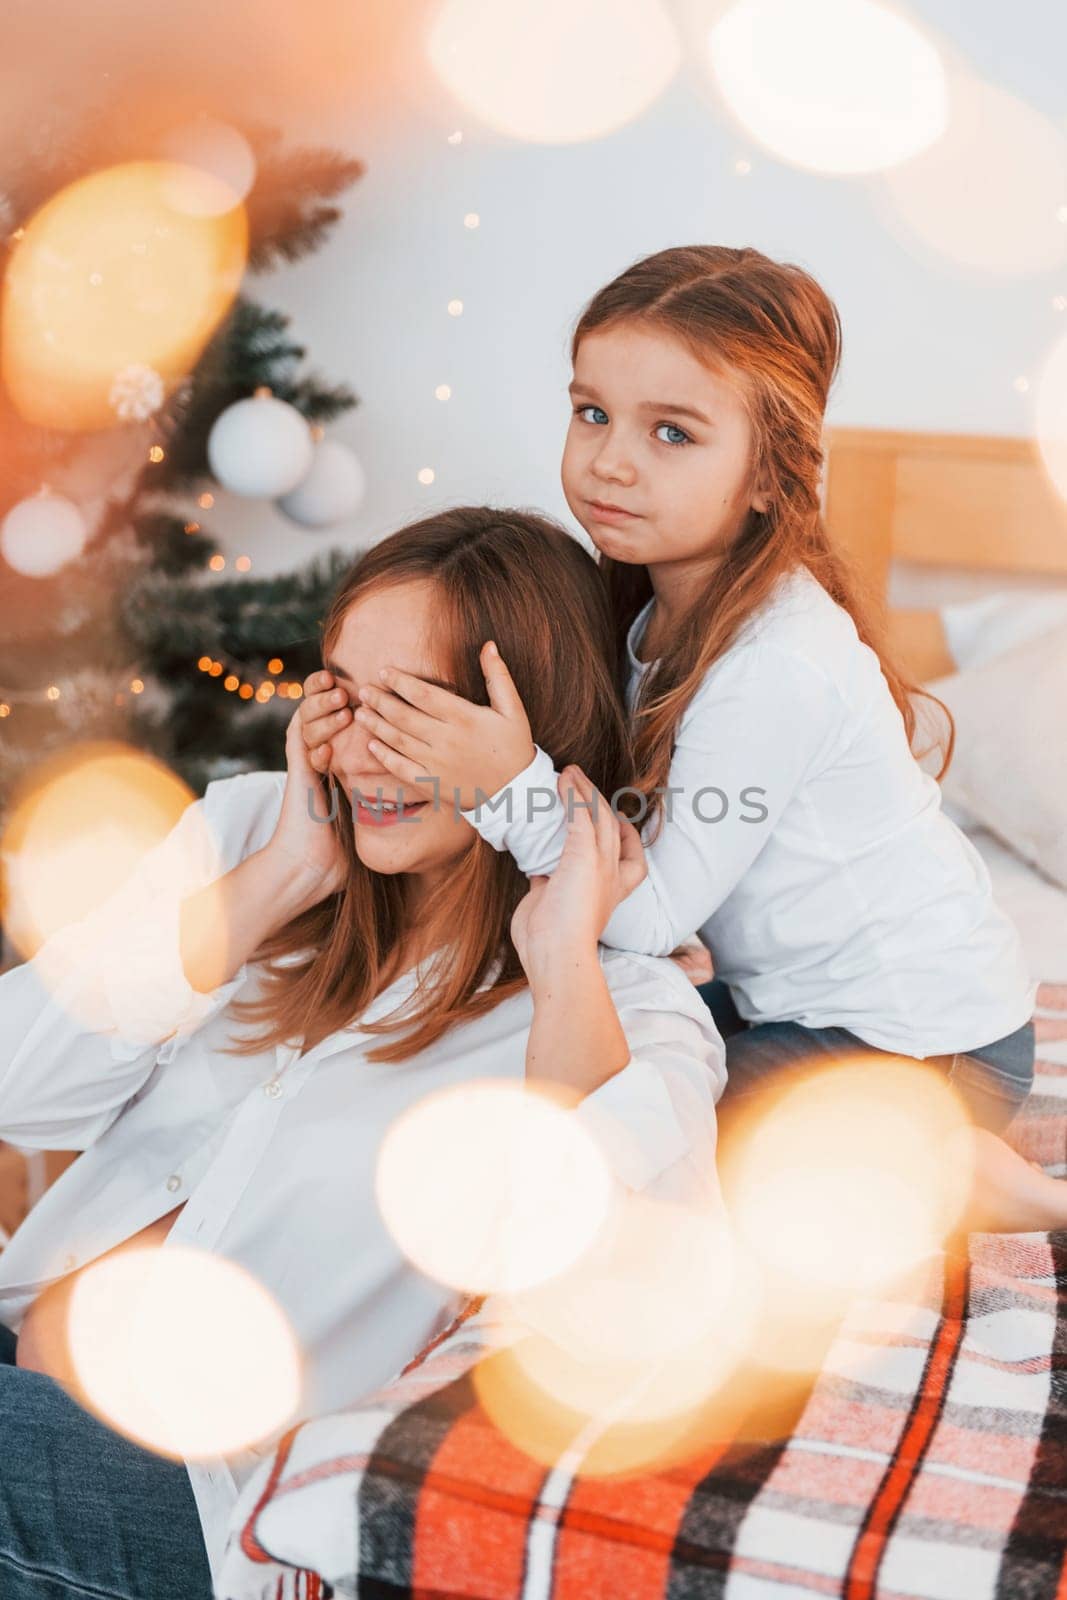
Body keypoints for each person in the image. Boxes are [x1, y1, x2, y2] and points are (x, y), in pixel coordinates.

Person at [0, 506, 726, 1599]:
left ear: (532, 730)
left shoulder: (623, 1005)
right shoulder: (252, 833)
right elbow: (22, 1089)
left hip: (214, 1507)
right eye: (343, 694)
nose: (362, 749)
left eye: (419, 710)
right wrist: (278, 882)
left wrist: (562, 956)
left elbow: (611, 1312)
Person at [298, 245, 1061, 1233]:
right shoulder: (641, 603)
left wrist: (504, 785)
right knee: (557, 1040)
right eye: (591, 413)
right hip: (781, 998)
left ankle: (961, 1172)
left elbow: (647, 912)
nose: (611, 459)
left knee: (662, 1150)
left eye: (672, 432)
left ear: (766, 476)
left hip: (925, 1039)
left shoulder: (774, 662)